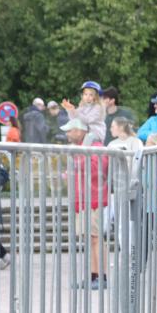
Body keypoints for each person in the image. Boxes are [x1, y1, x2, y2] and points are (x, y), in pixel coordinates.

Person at [63, 118, 110, 290]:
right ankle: (93, 276)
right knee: (90, 239)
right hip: (83, 201)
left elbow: (99, 169)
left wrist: (75, 166)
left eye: (69, 131)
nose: (67, 134)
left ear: (79, 131)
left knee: (96, 238)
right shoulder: (81, 149)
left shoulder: (95, 147)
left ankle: (102, 276)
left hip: (93, 200)